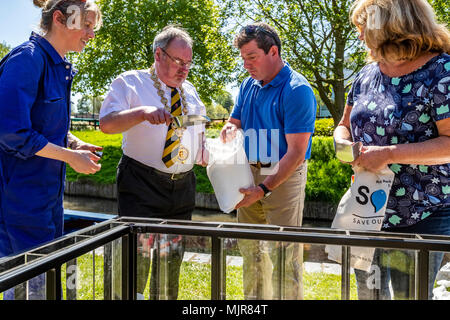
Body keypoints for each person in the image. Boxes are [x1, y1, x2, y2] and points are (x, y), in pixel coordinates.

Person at [334, 0, 450, 300]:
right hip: (366, 211)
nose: (360, 37)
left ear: (388, 27)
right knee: (367, 294)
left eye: (362, 29)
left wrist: (387, 154)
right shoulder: (366, 74)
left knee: (409, 296)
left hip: (423, 212)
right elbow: (343, 124)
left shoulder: (442, 71)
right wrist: (342, 143)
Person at [0, 0, 103, 299]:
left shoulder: (58, 65)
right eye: (86, 25)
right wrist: (71, 157)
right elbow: (10, 131)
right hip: (18, 205)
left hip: (44, 203)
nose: (91, 35)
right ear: (60, 18)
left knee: (44, 287)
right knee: (27, 290)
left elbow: (44, 122)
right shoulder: (27, 59)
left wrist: (72, 142)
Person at [99, 25, 207, 300]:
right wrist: (142, 112)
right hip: (141, 184)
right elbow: (107, 124)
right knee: (136, 262)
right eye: (179, 61)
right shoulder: (129, 82)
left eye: (189, 63)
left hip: (182, 189)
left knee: (170, 266)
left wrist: (207, 152)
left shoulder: (191, 92)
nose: (184, 69)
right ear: (159, 54)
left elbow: (199, 135)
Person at [220, 22, 317, 300]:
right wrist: (230, 129)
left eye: (252, 57)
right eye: (243, 59)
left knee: (285, 254)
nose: (246, 65)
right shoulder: (247, 84)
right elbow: (234, 121)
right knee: (251, 251)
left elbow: (297, 153)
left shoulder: (297, 90)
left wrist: (263, 189)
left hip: (283, 176)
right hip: (247, 173)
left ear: (273, 51)